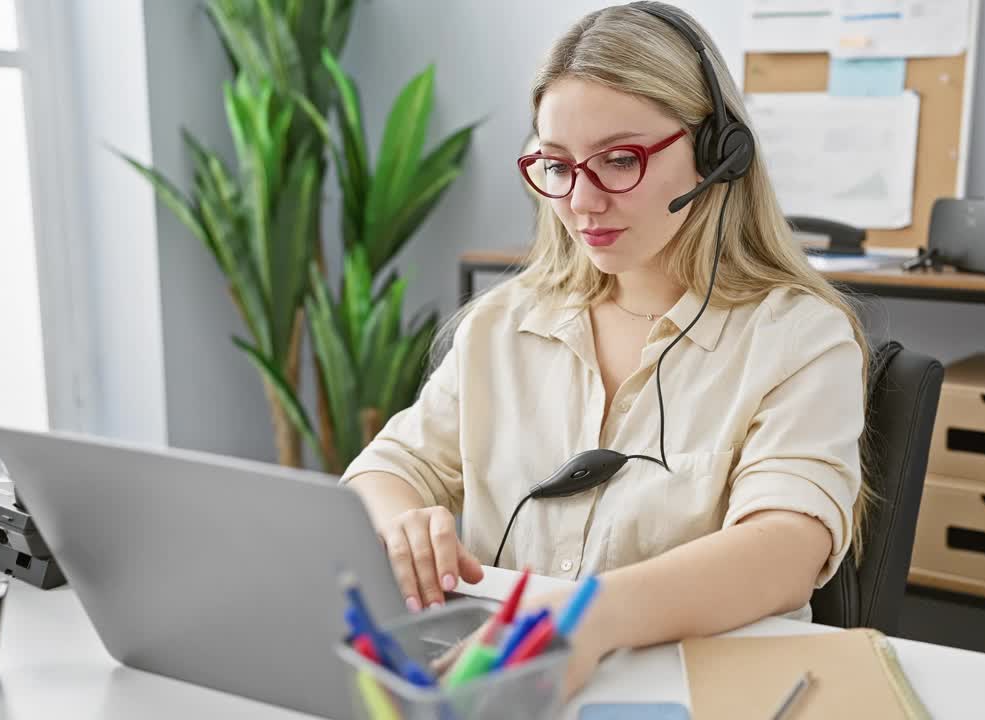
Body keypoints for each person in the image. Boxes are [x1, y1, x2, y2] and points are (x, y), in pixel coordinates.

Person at [341, 1, 870, 694]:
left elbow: (787, 548)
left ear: (718, 152)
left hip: (703, 695)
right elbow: (386, 468)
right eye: (556, 165)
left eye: (619, 160)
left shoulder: (800, 337)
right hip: (506, 685)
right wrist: (407, 521)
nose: (582, 202)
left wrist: (588, 621)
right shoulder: (502, 325)